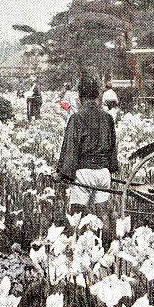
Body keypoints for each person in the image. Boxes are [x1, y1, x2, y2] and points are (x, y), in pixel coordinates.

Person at [57, 75, 119, 231]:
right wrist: (110, 168)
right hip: (103, 172)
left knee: (76, 215)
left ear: (79, 96)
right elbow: (112, 147)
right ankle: (107, 245)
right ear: (97, 95)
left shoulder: (76, 118)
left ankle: (76, 246)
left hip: (85, 172)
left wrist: (62, 174)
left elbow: (70, 149)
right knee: (103, 212)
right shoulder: (107, 118)